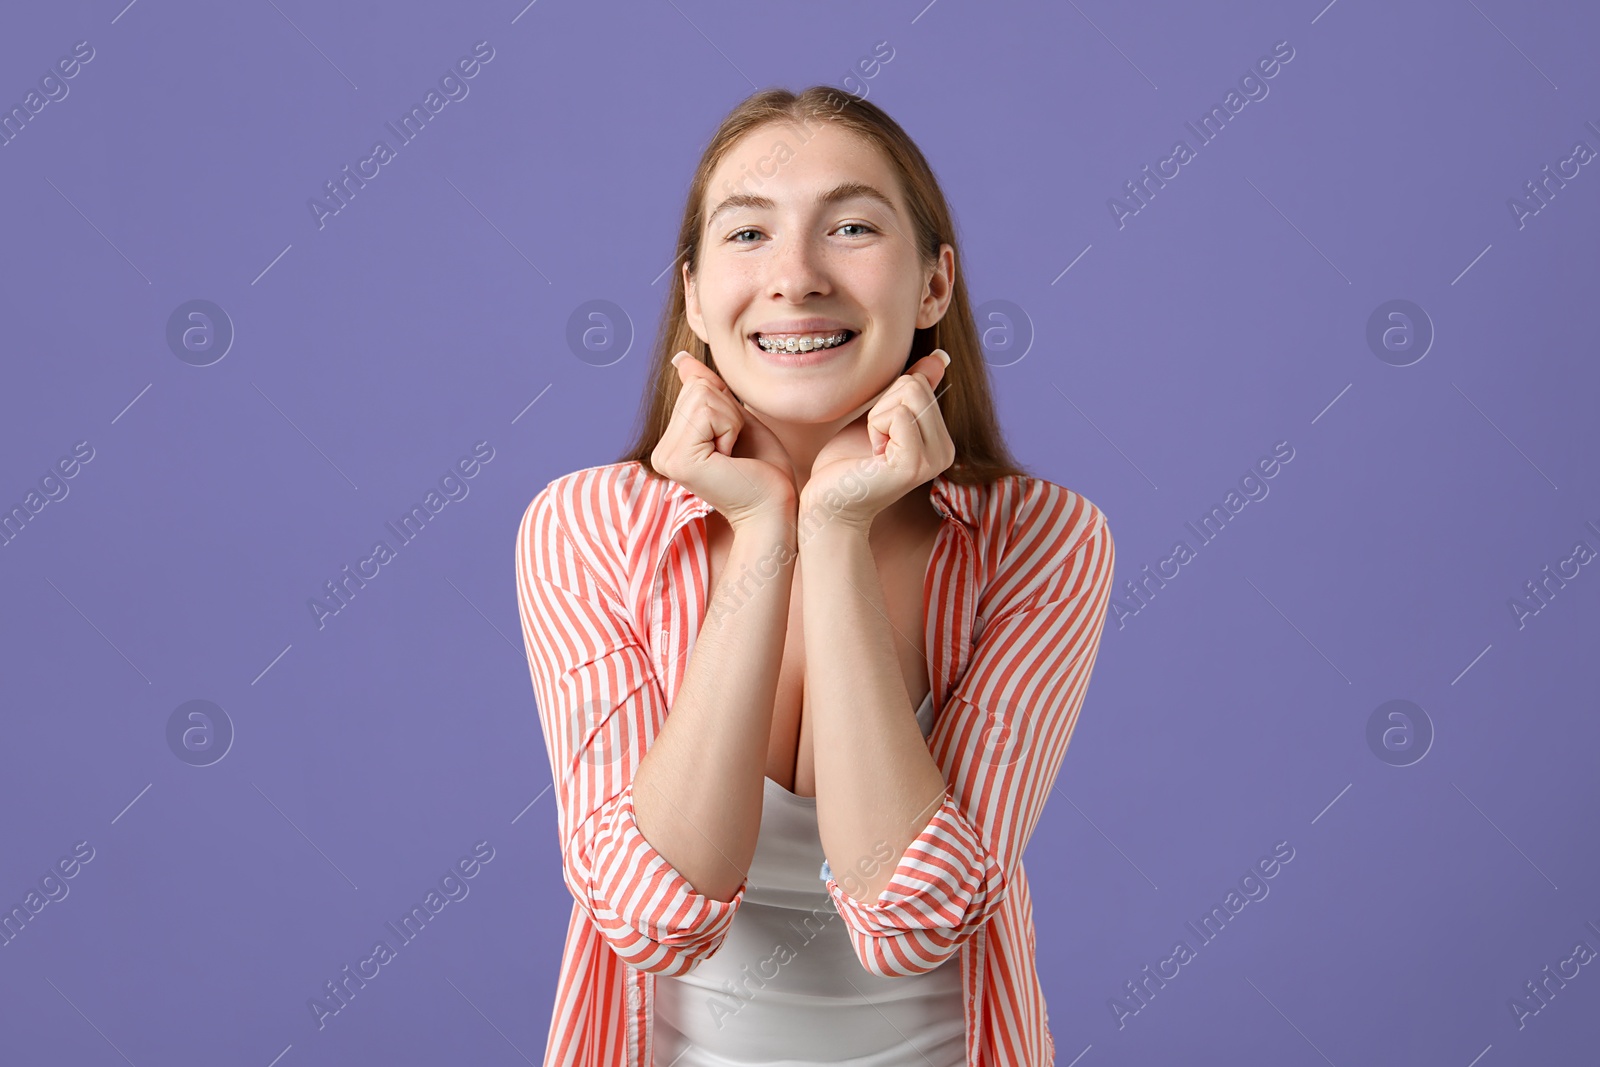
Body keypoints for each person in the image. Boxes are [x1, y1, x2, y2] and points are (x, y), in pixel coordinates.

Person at [516, 85, 1116, 1067]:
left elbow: (910, 921)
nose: (795, 276)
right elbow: (649, 914)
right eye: (748, 233)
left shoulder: (1040, 540)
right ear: (697, 295)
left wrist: (833, 530)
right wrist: (763, 533)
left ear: (933, 286)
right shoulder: (586, 526)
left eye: (849, 226)